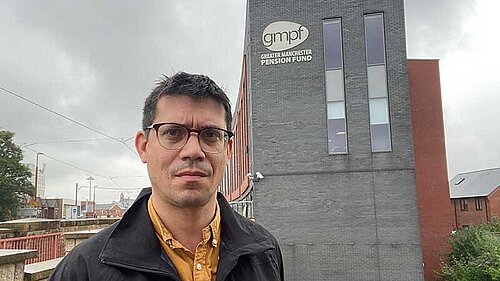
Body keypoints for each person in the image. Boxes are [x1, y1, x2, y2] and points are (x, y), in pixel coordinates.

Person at [49, 72, 284, 281]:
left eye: (211, 135)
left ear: (228, 150)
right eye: (173, 132)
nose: (193, 151)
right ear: (143, 147)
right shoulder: (84, 268)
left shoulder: (265, 253)